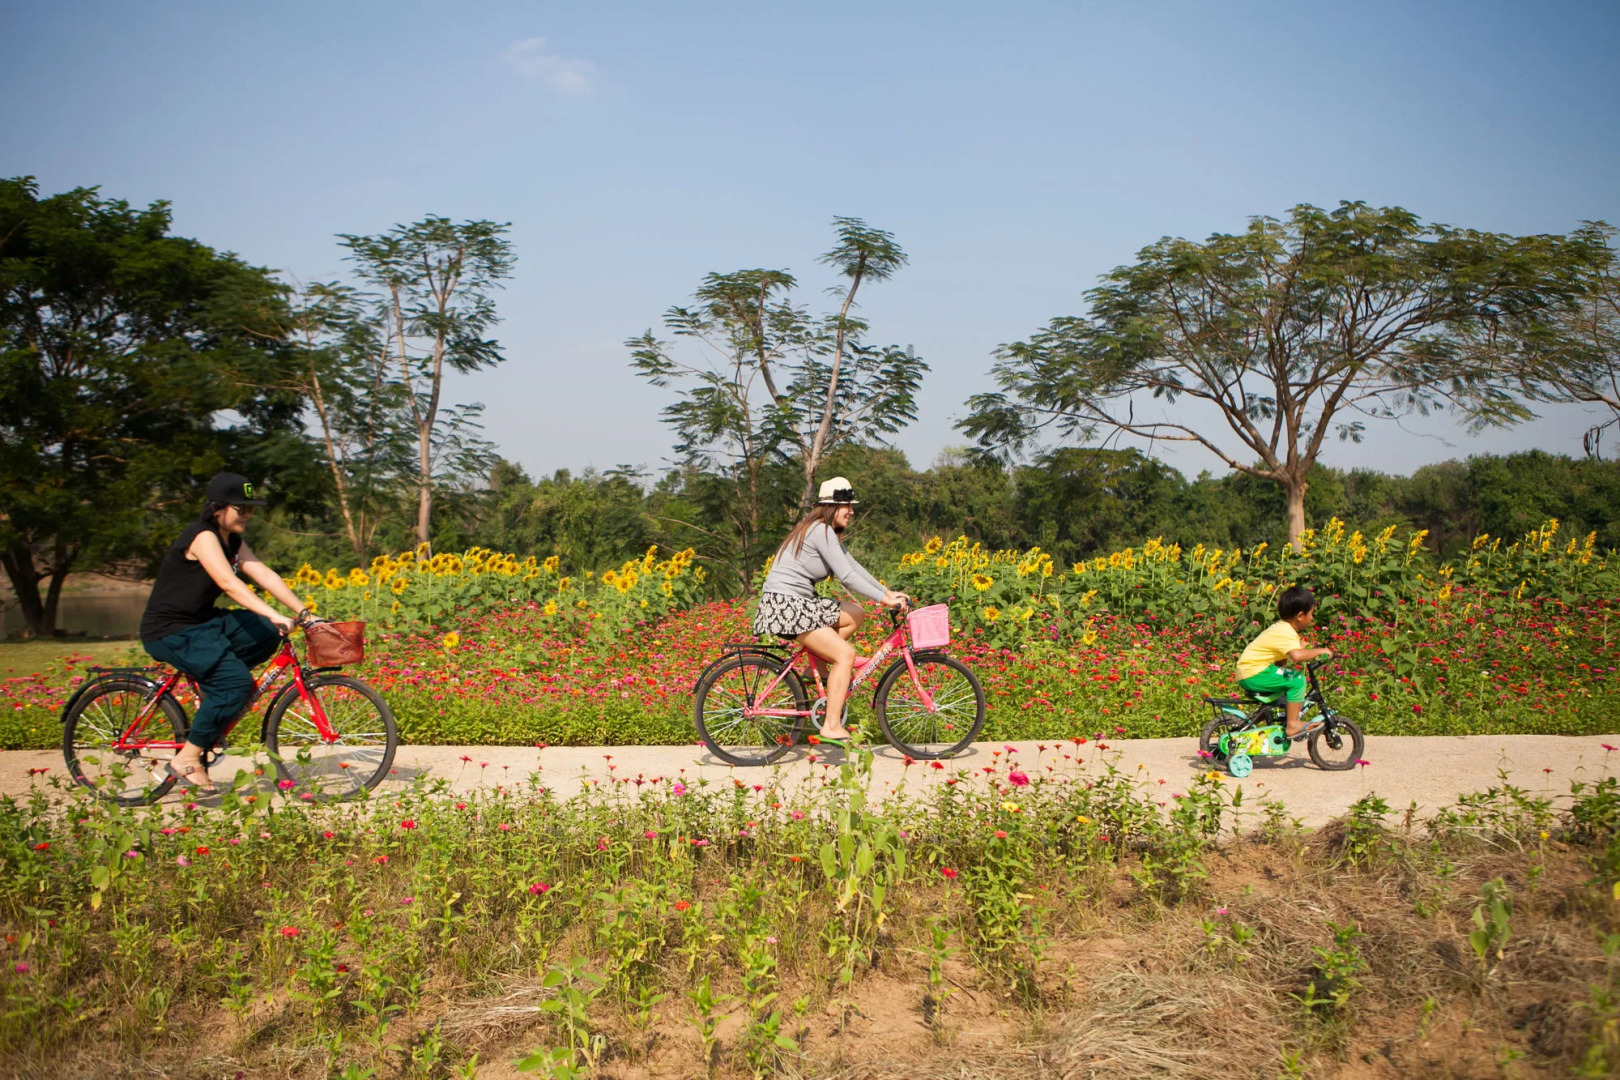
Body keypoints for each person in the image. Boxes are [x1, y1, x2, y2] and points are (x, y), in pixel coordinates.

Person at [139, 473, 312, 794]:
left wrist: (304, 613)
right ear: (217, 508)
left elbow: (262, 572)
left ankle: (213, 684)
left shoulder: (230, 537)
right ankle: (188, 759)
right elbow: (228, 584)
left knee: (265, 631)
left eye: (251, 508)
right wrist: (274, 612)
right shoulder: (203, 536)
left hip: (203, 623)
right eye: (240, 508)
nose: (247, 514)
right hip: (171, 630)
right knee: (235, 684)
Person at [753, 477, 909, 743]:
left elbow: (854, 566)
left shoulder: (821, 531)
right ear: (830, 507)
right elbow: (847, 576)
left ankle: (821, 668)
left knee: (855, 613)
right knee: (846, 656)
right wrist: (884, 601)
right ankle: (831, 725)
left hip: (798, 604)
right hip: (788, 607)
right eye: (845, 505)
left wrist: (886, 592)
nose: (851, 511)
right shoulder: (820, 531)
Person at [1235, 584, 1333, 740]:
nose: (1312, 618)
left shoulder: (1281, 628)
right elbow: (1297, 656)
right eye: (1311, 614)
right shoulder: (1286, 632)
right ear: (1300, 615)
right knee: (1298, 680)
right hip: (1255, 672)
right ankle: (1293, 724)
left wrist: (1298, 652)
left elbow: (1281, 663)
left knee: (1283, 692)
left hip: (1250, 671)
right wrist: (1321, 651)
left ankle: (1251, 724)